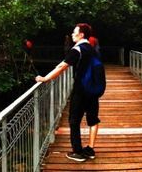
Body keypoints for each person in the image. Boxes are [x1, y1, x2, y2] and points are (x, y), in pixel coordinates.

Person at [35, 23, 105, 162]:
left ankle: (78, 152)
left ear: (81, 34)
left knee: (74, 121)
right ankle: (90, 150)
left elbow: (62, 66)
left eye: (74, 32)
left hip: (80, 90)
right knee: (92, 119)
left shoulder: (77, 49)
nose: (72, 34)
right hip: (93, 90)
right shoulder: (91, 49)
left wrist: (45, 78)